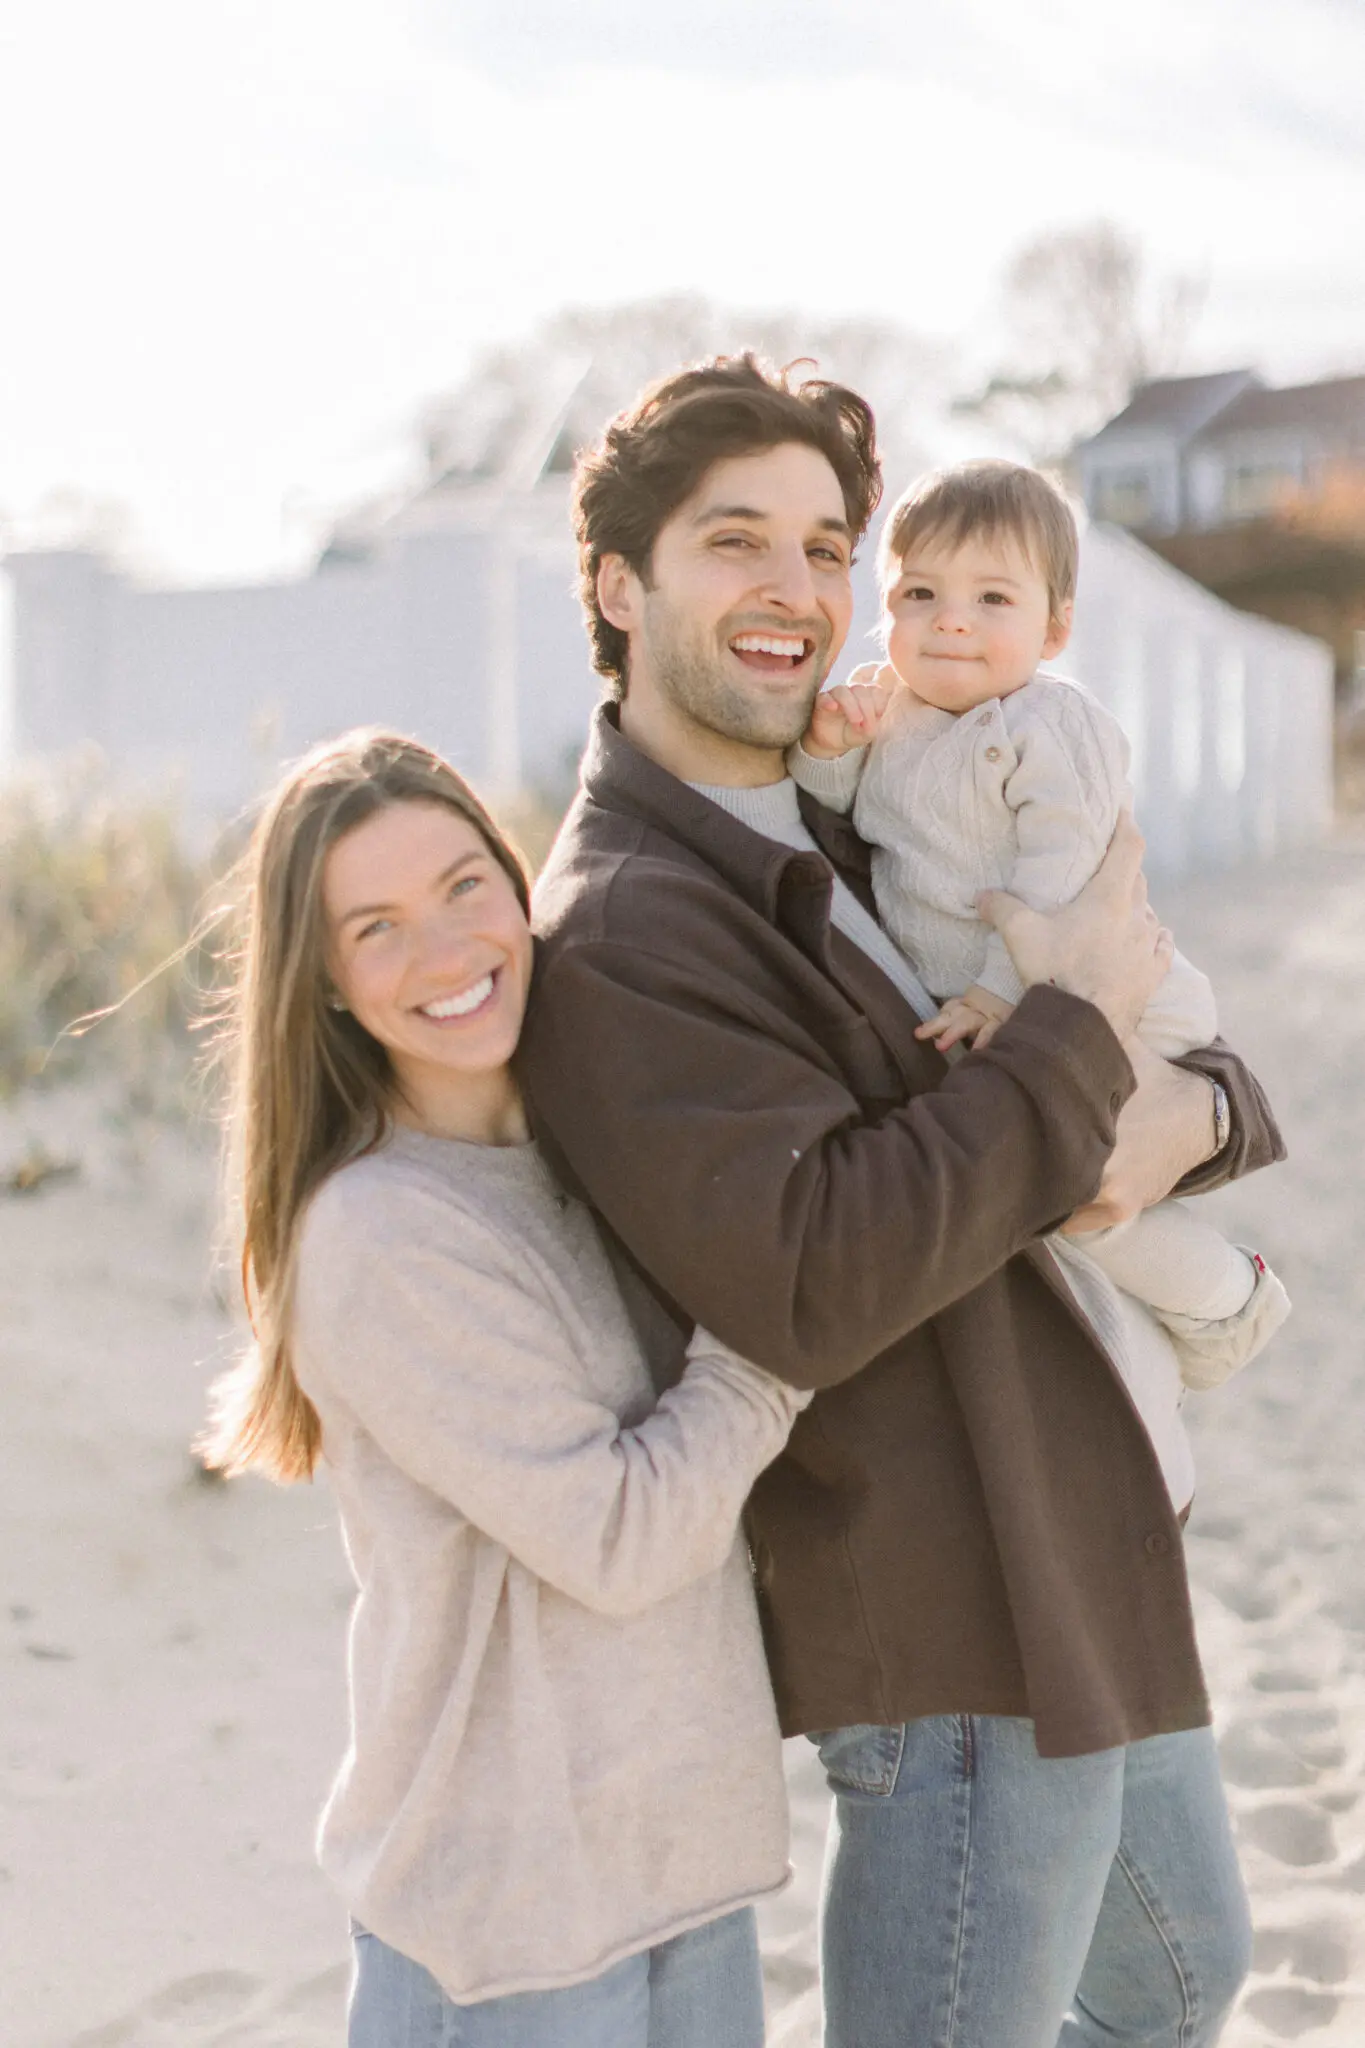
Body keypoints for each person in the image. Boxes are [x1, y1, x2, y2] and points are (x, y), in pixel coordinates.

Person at [519, 355, 1286, 2047]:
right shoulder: (626, 922)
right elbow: (815, 1271)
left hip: (1083, 1527)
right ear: (618, 586)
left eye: (824, 545)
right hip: (949, 1599)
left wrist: (1196, 1110)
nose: (799, 590)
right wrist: (1080, 1033)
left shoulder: (860, 797)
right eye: (737, 542)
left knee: (1177, 1978)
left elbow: (1142, 995)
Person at [198, 729, 811, 2048]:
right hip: (507, 1926)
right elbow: (623, 1536)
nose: (444, 952)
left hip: (677, 1873)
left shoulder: (591, 1154)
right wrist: (786, 1326)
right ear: (327, 987)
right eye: (377, 928)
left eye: (466, 886)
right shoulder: (380, 1235)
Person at [787, 455, 1291, 1393]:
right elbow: (832, 804)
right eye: (920, 592)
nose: (951, 619)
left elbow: (1063, 876)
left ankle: (1228, 1298)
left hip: (1104, 998)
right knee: (1051, 1196)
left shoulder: (1046, 725)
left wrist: (996, 987)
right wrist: (826, 745)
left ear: (1053, 626)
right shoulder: (891, 713)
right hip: (1004, 1013)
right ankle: (1195, 1307)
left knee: (1062, 1189)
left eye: (991, 599)